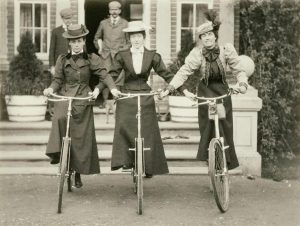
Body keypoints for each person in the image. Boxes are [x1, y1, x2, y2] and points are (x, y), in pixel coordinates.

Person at [161, 12, 249, 170]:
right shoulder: (197, 54)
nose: (207, 38)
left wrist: (242, 84)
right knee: (208, 127)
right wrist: (171, 87)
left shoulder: (226, 50)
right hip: (205, 92)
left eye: (210, 35)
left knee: (225, 127)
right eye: (204, 36)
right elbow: (184, 71)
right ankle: (210, 158)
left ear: (215, 36)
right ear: (200, 39)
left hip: (222, 91)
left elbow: (239, 69)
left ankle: (226, 162)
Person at [43, 24, 120, 188]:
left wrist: (110, 88)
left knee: (80, 137)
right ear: (69, 43)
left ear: (83, 41)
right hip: (66, 95)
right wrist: (50, 89)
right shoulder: (62, 59)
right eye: (73, 41)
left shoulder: (91, 58)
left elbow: (104, 76)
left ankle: (77, 172)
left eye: (79, 41)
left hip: (84, 98)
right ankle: (57, 153)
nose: (76, 44)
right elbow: (57, 80)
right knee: (59, 118)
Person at [109, 21, 174, 177]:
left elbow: (166, 74)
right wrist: (113, 89)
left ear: (144, 37)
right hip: (127, 94)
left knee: (148, 129)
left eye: (139, 36)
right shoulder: (122, 55)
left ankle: (148, 165)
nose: (136, 40)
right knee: (123, 123)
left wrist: (172, 88)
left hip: (145, 93)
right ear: (129, 38)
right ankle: (126, 160)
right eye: (133, 37)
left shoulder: (152, 55)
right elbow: (111, 75)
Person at [49, 8, 73, 76]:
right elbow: (52, 49)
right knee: (59, 82)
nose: (68, 21)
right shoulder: (56, 31)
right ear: (62, 18)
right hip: (59, 63)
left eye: (69, 18)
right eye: (66, 19)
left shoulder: (76, 30)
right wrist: (52, 66)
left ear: (72, 18)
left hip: (73, 63)